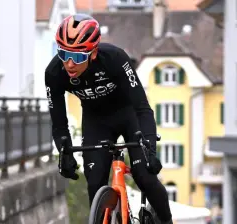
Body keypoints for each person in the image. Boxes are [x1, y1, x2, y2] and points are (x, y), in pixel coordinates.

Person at [45, 14, 173, 224]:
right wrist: (64, 153)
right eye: (63, 54)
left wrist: (149, 149)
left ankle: (167, 222)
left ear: (93, 53)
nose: (68, 63)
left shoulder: (115, 59)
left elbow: (143, 109)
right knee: (95, 183)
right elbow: (59, 123)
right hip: (97, 121)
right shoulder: (53, 73)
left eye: (77, 57)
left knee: (144, 177)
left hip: (129, 115)